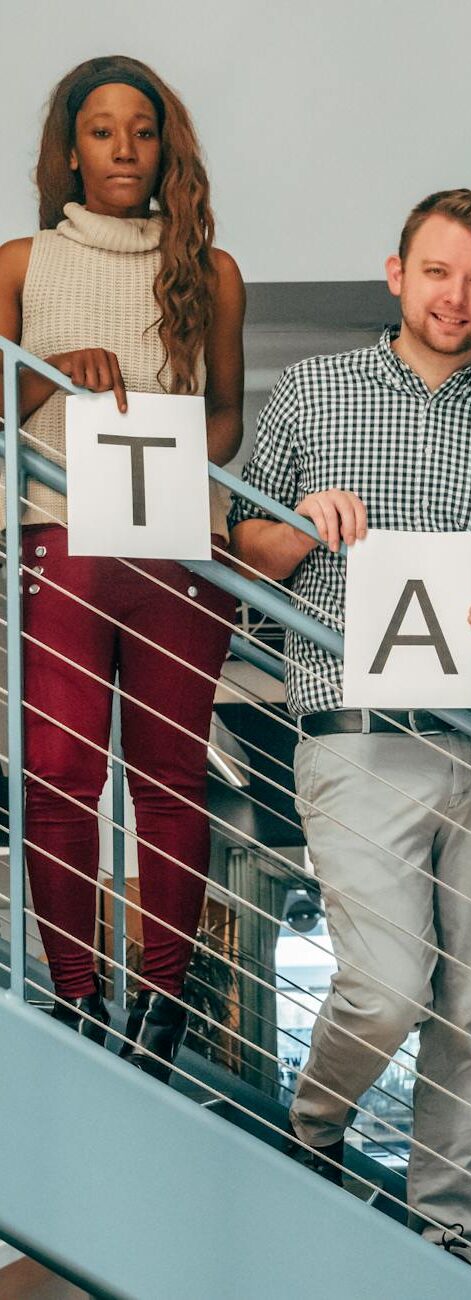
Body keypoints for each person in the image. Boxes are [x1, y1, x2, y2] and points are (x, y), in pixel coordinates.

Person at [230, 189, 471, 1258]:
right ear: (396, 272)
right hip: (354, 730)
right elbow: (240, 549)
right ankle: (316, 1124)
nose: (456, 297)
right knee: (384, 986)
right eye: (438, 272)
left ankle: (450, 1237)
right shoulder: (313, 391)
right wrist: (298, 527)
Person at [0, 55, 244, 1076]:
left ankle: (163, 1003)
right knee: (58, 770)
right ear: (69, 146)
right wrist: (54, 384)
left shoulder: (211, 270)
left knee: (171, 777)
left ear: (164, 146)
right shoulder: (18, 264)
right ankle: (72, 989)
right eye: (101, 131)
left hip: (174, 549)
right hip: (59, 533)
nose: (123, 150)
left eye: (141, 131)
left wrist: (168, 429)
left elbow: (228, 424)